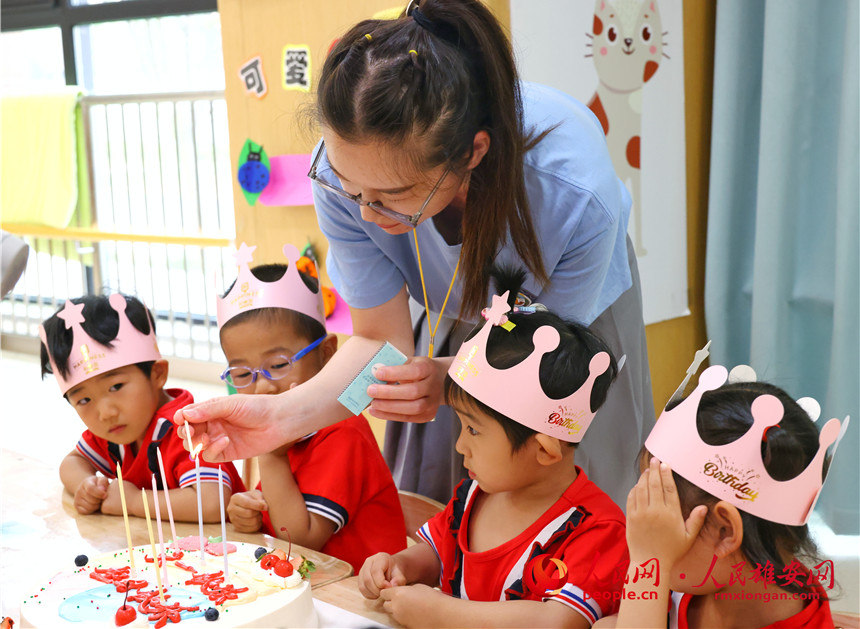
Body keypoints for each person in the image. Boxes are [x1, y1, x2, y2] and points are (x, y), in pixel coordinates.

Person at [175, 0, 653, 508]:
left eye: (394, 196)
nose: (366, 214)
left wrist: (451, 377)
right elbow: (381, 342)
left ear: (473, 153)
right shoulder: (346, 169)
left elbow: (547, 356)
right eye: (352, 191)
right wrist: (278, 418)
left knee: (569, 508)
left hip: (566, 340)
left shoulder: (574, 194)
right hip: (453, 315)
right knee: (450, 508)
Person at [358, 270, 630, 628]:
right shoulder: (475, 494)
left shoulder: (598, 530)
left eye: (473, 429)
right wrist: (399, 566)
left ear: (545, 450)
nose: (459, 445)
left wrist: (441, 614)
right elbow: (438, 553)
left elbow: (558, 622)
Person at [595, 371, 845, 628]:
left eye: (658, 507)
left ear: (724, 531)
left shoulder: (679, 566)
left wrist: (648, 563)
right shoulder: (707, 574)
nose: (639, 529)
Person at [221, 244, 406, 572]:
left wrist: (270, 454)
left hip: (358, 604)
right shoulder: (289, 432)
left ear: (327, 354)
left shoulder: (342, 432)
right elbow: (277, 514)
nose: (262, 386)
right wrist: (248, 511)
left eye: (278, 364)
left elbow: (299, 539)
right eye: (241, 374)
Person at [40, 293, 244, 521]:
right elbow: (72, 463)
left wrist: (135, 501)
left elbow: (212, 503)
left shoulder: (186, 428)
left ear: (157, 374)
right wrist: (87, 486)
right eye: (84, 400)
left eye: (116, 386)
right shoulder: (115, 432)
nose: (106, 413)